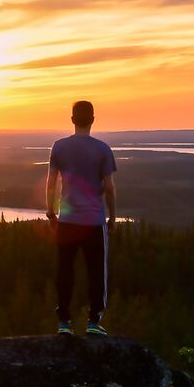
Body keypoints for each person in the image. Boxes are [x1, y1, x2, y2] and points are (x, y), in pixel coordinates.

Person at [46, 99, 117, 336]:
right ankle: (94, 322)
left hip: (67, 220)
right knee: (96, 271)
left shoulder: (58, 147)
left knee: (65, 270)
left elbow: (50, 184)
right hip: (94, 222)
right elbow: (109, 188)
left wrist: (51, 213)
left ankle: (64, 322)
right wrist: (113, 217)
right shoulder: (103, 150)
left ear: (73, 120)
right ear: (93, 120)